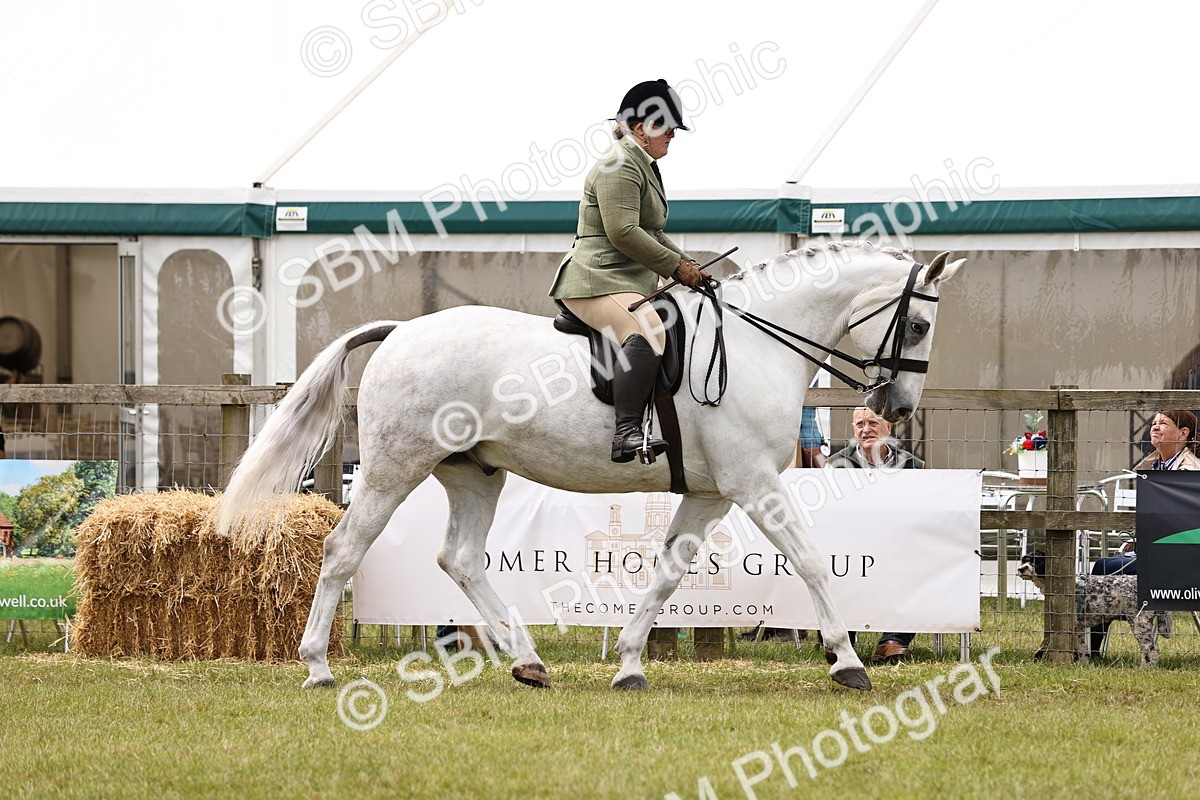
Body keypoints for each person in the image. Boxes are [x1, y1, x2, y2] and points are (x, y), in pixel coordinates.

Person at [548, 79, 709, 464]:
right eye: (665, 126)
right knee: (647, 328)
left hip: (625, 279)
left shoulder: (642, 163)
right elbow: (624, 232)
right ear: (639, 128)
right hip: (596, 277)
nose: (672, 133)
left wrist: (690, 267)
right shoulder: (619, 164)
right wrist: (675, 267)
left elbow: (652, 231)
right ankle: (626, 433)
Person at [1087, 409, 1199, 656]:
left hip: (1181, 558)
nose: (1155, 427)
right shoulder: (1151, 465)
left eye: (1164, 423)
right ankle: (1091, 650)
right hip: (1153, 550)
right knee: (1104, 566)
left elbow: (1182, 522)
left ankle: (1092, 651)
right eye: (1154, 423)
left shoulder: (1191, 471)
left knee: (1105, 569)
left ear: (1183, 433)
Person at [827, 406, 924, 664]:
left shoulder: (914, 465)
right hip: (851, 545)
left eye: (873, 423)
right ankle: (841, 641)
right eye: (860, 424)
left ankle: (893, 641)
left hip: (898, 545)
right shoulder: (836, 465)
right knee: (838, 569)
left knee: (915, 568)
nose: (866, 429)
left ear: (888, 428)